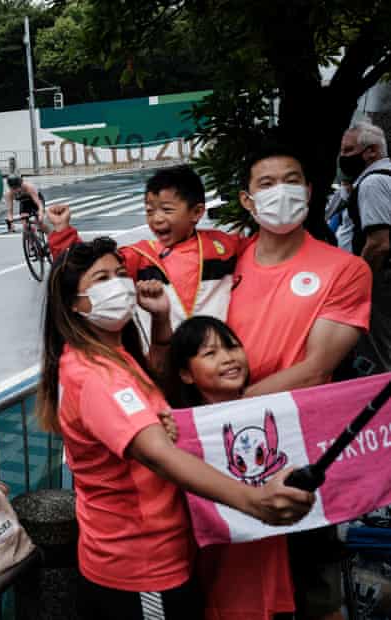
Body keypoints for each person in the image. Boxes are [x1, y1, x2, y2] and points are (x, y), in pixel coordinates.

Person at [37, 238, 314, 619]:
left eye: (121, 274)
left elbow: (151, 401)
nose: (119, 285)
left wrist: (161, 320)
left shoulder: (111, 354)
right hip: (140, 566)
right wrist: (254, 501)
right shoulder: (96, 375)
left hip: (154, 553)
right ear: (72, 303)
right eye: (101, 279)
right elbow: (159, 455)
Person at [228, 141, 372, 620]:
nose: (281, 192)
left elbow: (316, 367)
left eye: (291, 180)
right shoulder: (230, 262)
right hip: (230, 453)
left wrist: (227, 409)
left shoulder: (344, 269)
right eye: (266, 184)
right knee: (243, 584)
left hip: (305, 449)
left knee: (313, 582)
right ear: (247, 201)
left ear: (310, 191)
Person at [165, 316, 295, 620]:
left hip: (271, 556)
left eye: (232, 347)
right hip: (222, 565)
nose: (228, 358)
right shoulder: (176, 428)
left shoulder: (275, 412)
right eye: (210, 353)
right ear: (186, 374)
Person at [120, 165, 244, 330]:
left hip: (217, 350)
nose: (156, 219)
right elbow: (94, 263)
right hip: (163, 352)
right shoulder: (140, 256)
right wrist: (71, 234)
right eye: (150, 211)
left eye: (166, 210)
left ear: (197, 212)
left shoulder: (224, 246)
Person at [338, 120, 391, 372]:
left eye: (348, 151)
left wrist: (360, 282)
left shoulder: (372, 183)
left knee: (381, 352)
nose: (342, 157)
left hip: (381, 280)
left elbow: (379, 243)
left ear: (371, 151)